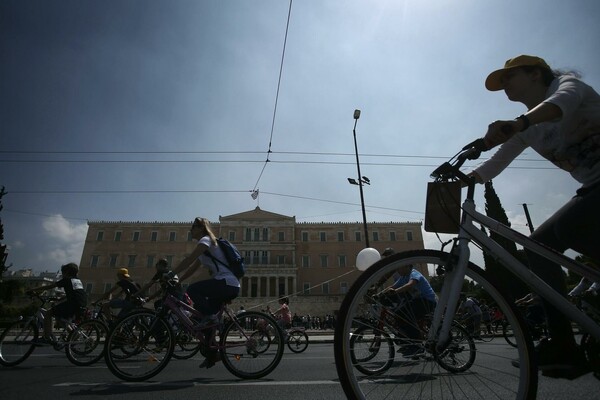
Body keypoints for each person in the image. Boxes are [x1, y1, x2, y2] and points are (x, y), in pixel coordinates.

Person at [471, 54, 600, 378]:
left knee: (570, 229)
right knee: (539, 245)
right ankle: (563, 346)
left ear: (535, 74)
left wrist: (519, 123)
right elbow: (494, 164)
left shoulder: (567, 86)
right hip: (593, 189)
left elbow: (560, 104)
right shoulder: (527, 127)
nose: (504, 88)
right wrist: (460, 179)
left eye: (509, 78)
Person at [171, 217, 240, 369]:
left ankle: (211, 318)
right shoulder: (206, 248)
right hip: (226, 284)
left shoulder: (206, 240)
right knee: (205, 320)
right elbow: (193, 268)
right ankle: (212, 355)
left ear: (201, 228)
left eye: (193, 227)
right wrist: (179, 279)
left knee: (193, 290)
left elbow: (189, 259)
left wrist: (172, 273)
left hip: (227, 283)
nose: (191, 230)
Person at [381, 263, 437, 357]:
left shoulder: (414, 273)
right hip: (417, 301)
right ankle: (406, 342)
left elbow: (410, 284)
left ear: (407, 266)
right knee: (398, 313)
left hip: (428, 301)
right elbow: (391, 287)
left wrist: (395, 292)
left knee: (407, 317)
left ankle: (417, 346)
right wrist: (379, 294)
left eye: (399, 268)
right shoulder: (403, 277)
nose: (397, 271)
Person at [28, 263, 87, 345]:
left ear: (67, 272)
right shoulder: (77, 280)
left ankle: (46, 337)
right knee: (59, 318)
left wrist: (34, 289)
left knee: (49, 313)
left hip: (73, 303)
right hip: (81, 303)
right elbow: (74, 294)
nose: (62, 274)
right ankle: (74, 334)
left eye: (63, 272)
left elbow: (51, 286)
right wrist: (60, 299)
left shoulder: (67, 280)